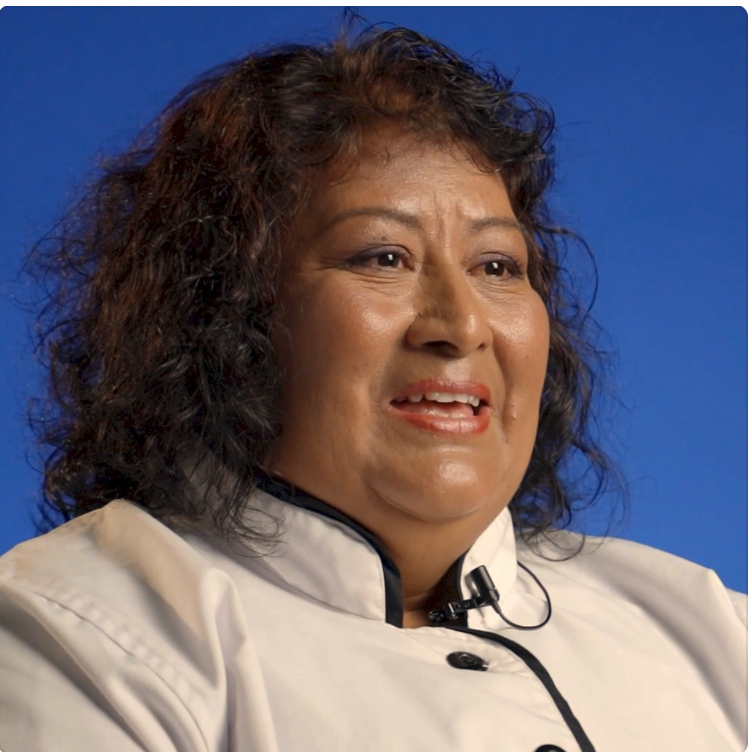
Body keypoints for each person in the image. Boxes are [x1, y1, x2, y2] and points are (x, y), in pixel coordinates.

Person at [0, 24, 745, 752]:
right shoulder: (73, 636)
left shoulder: (714, 632)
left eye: (496, 266)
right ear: (222, 310)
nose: (462, 325)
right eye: (384, 257)